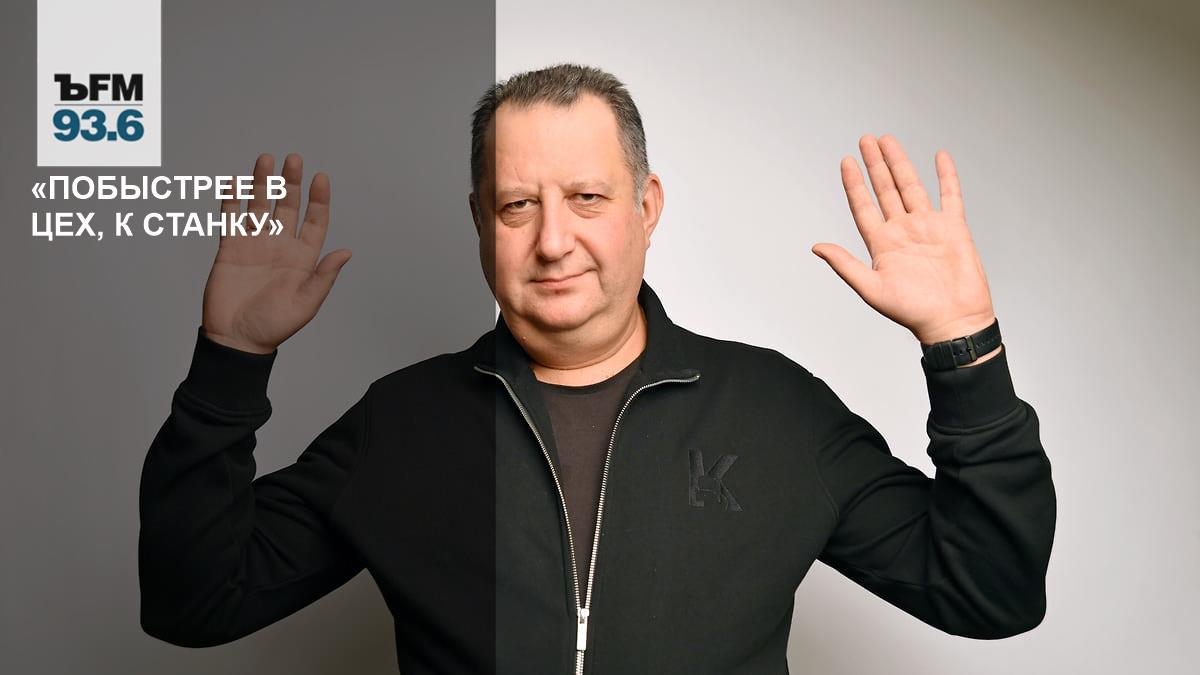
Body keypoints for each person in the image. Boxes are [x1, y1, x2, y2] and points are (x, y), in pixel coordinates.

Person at [138, 63, 1056, 674]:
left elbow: (990, 592)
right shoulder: (402, 423)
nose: (553, 241)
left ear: (646, 207)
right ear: (479, 221)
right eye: (516, 205)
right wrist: (230, 361)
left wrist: (963, 345)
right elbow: (195, 601)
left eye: (586, 197)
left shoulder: (778, 409)